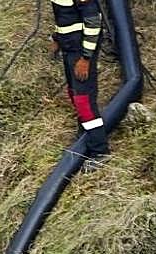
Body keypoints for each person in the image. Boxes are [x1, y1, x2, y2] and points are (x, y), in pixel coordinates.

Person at [50, 0, 109, 166]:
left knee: (83, 100)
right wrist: (56, 37)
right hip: (68, 46)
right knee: (73, 92)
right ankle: (84, 136)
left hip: (81, 50)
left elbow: (93, 22)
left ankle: (100, 151)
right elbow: (63, 15)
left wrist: (86, 58)